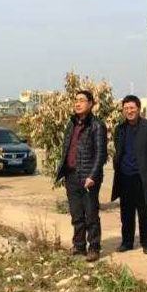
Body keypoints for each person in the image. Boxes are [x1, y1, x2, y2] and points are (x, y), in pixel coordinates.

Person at [56, 90, 108, 262]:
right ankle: (79, 246)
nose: (77, 103)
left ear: (91, 103)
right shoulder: (71, 123)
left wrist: (92, 176)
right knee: (76, 214)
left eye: (82, 100)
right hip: (71, 175)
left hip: (88, 177)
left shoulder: (97, 125)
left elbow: (101, 154)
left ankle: (94, 248)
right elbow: (66, 148)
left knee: (91, 214)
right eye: (75, 100)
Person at [111, 95, 147, 255]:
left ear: (139, 109)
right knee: (126, 212)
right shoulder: (120, 129)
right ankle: (127, 242)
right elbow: (118, 151)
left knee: (144, 212)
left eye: (132, 108)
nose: (129, 111)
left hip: (143, 177)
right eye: (126, 108)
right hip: (124, 177)